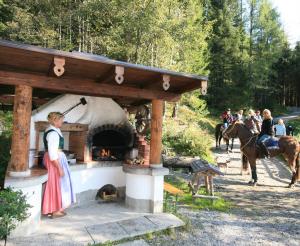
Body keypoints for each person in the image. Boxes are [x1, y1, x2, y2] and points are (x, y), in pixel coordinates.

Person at [42, 112, 76, 218]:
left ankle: (54, 208)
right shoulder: (53, 133)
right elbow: (52, 153)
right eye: (61, 120)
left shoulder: (53, 130)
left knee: (57, 183)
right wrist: (59, 168)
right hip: (55, 160)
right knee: (56, 183)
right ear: (55, 120)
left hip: (56, 158)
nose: (62, 121)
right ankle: (55, 210)